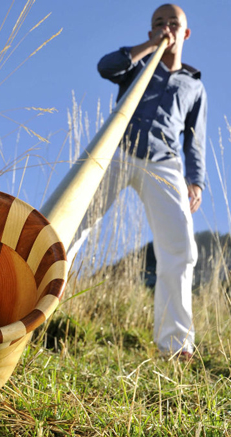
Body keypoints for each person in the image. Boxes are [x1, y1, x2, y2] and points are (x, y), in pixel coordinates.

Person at [68, 4, 207, 358]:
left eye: (173, 23)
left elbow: (195, 139)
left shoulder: (194, 86)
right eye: (158, 23)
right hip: (116, 152)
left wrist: (196, 180)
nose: (166, 27)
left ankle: (175, 345)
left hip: (163, 164)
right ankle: (31, 310)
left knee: (180, 249)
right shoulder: (135, 65)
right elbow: (105, 67)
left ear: (185, 33)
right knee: (71, 224)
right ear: (150, 31)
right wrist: (147, 48)